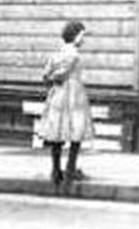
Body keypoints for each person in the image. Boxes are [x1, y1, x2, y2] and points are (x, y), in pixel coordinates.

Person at [38, 20, 94, 186]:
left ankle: (56, 170)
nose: (83, 39)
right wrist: (58, 78)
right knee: (76, 129)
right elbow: (62, 73)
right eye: (82, 35)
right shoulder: (74, 55)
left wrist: (52, 80)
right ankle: (70, 169)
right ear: (75, 36)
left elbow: (45, 75)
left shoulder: (56, 54)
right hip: (74, 94)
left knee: (58, 131)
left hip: (57, 94)